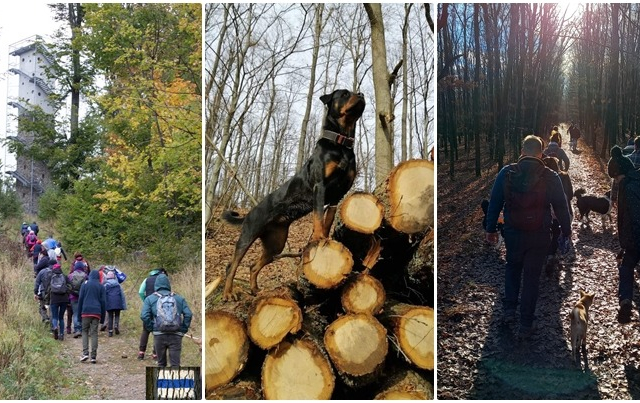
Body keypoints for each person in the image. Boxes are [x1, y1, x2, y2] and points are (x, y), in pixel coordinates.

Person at [485, 135, 572, 338]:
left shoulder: (507, 173)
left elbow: (495, 201)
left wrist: (490, 229)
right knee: (532, 277)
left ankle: (508, 311)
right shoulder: (550, 175)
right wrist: (566, 231)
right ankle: (526, 323)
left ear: (522, 151)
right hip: (539, 235)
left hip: (513, 233)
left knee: (512, 268)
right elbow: (561, 205)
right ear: (541, 153)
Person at [607, 146, 640, 323]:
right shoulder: (635, 179)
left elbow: (634, 218)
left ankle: (626, 300)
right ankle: (626, 300)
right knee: (626, 266)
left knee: (626, 268)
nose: (617, 182)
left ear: (623, 173)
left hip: (635, 239)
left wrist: (628, 243)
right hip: (633, 239)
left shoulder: (628, 187)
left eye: (617, 178)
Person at [140, 273, 192, 367]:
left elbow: (144, 316)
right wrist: (183, 329)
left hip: (159, 335)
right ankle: (176, 381)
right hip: (176, 334)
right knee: (175, 364)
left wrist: (152, 328)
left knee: (161, 363)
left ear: (156, 285)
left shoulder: (150, 299)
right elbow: (188, 314)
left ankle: (161, 381)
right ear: (168, 284)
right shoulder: (179, 298)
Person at [137, 268, 167, 360]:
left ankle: (141, 353)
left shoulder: (147, 279)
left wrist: (145, 301)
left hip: (149, 306)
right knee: (158, 330)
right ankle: (155, 353)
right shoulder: (163, 280)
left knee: (145, 330)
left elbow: (141, 292)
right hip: (160, 307)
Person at [76, 270, 106, 364]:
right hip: (96, 312)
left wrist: (79, 314)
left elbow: (80, 299)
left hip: (85, 311)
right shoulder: (101, 286)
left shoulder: (85, 285)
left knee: (84, 331)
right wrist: (103, 317)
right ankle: (93, 356)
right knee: (94, 333)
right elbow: (103, 302)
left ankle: (85, 353)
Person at [48, 263, 70, 341]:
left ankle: (55, 327)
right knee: (61, 317)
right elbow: (69, 287)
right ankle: (61, 334)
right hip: (64, 299)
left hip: (54, 299)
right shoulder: (64, 276)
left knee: (54, 317)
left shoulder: (51, 276)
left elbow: (48, 288)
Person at [68, 260, 88, 338]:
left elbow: (68, 286)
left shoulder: (70, 276)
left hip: (73, 297)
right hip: (83, 297)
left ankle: (77, 330)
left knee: (75, 314)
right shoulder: (86, 275)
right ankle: (83, 329)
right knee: (82, 313)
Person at [104, 270, 127, 337]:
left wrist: (104, 304)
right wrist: (123, 304)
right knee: (117, 315)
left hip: (109, 303)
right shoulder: (118, 285)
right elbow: (122, 295)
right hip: (117, 302)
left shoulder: (106, 285)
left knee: (110, 316)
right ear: (114, 277)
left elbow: (104, 295)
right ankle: (116, 325)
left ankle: (110, 331)